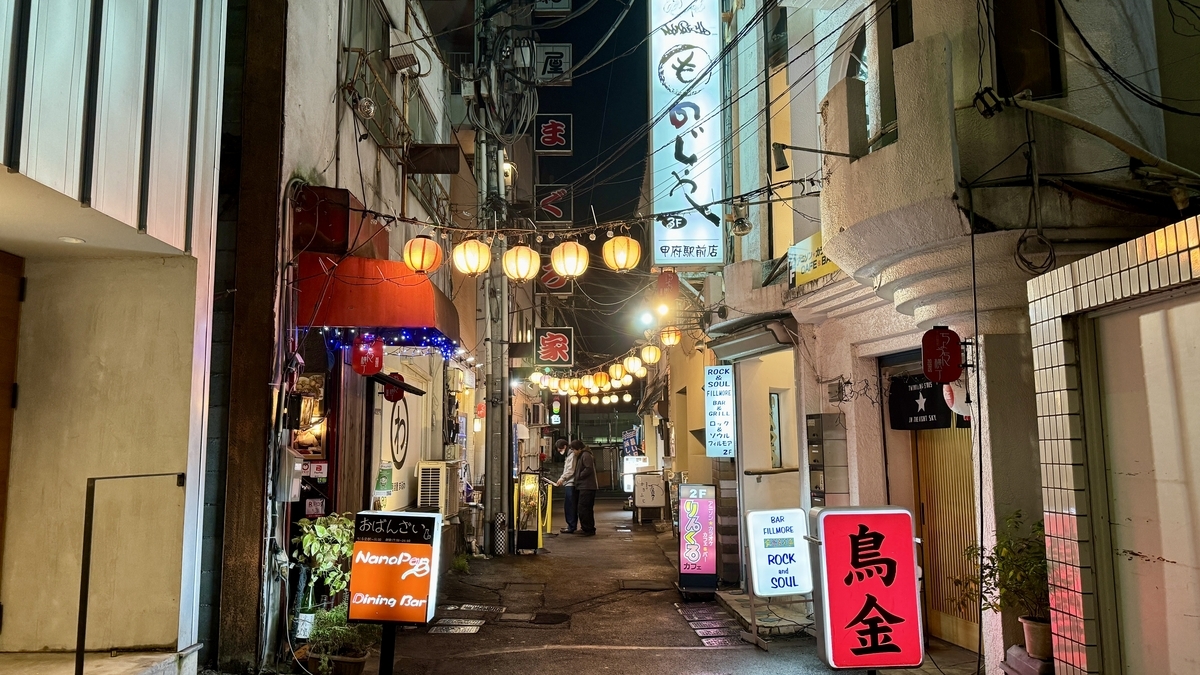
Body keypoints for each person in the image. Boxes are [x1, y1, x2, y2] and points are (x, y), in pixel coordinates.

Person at [570, 439, 597, 536]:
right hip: (586, 486)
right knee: (586, 509)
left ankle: (587, 529)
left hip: (587, 486)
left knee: (583, 508)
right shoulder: (584, 455)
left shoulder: (585, 455)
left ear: (579, 448)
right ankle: (588, 528)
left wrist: (579, 476)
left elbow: (588, 468)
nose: (573, 452)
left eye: (574, 450)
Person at [553, 439, 578, 534]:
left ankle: (571, 526)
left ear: (565, 446)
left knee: (570, 506)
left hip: (571, 483)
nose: (560, 452)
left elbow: (570, 470)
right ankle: (570, 525)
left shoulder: (571, 455)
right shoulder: (569, 455)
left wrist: (561, 479)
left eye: (560, 449)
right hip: (568, 483)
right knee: (568, 505)